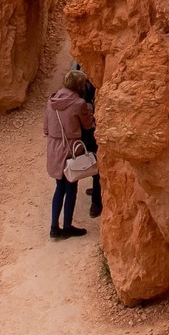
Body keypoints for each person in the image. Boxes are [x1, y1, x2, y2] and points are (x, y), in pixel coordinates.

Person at [45, 75, 90, 240]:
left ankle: (54, 227)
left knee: (59, 188)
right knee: (71, 188)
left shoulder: (52, 101)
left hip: (54, 149)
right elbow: (87, 124)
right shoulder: (79, 104)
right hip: (70, 149)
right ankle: (68, 226)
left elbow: (45, 128)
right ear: (79, 85)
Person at [66, 64, 102, 221]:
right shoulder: (85, 88)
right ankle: (96, 201)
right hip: (88, 129)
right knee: (95, 162)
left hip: (81, 132)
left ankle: (96, 194)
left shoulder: (78, 84)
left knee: (93, 161)